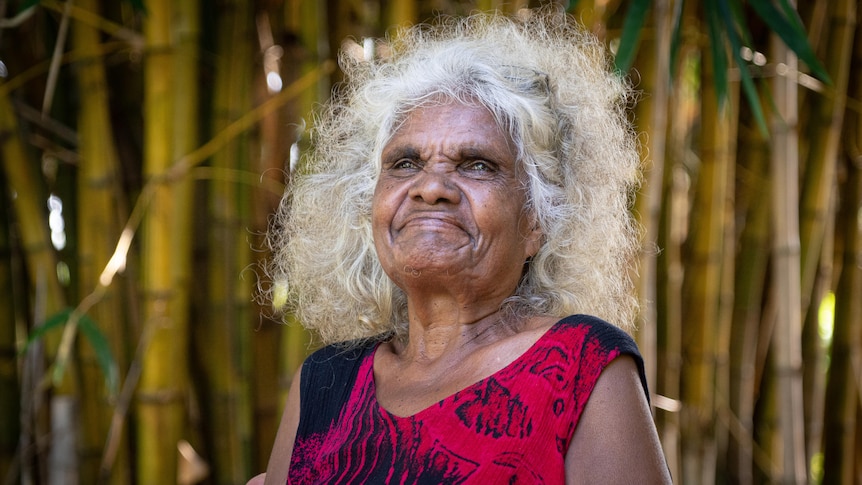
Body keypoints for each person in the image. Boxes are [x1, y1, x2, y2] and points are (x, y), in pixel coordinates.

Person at [251, 7, 672, 484]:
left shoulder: (582, 366)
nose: (431, 187)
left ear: (537, 219)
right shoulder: (324, 383)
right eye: (406, 163)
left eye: (475, 164)